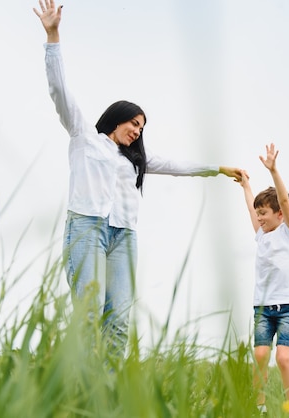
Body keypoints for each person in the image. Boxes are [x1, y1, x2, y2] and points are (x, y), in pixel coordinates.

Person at [33, 0, 245, 355]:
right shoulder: (84, 137)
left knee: (118, 319)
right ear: (118, 118)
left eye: (141, 127)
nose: (137, 131)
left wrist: (218, 168)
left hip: (124, 237)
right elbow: (59, 91)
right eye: (134, 123)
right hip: (87, 227)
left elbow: (176, 165)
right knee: (89, 312)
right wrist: (53, 37)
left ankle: (111, 391)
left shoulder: (136, 160)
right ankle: (80, 388)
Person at [238, 143, 289, 414]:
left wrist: (274, 170)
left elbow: (284, 200)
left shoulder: (288, 231)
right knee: (261, 356)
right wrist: (246, 186)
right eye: (258, 214)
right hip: (262, 308)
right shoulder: (261, 235)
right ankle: (260, 405)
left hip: (287, 306)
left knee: (284, 358)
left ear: (278, 214)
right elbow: (252, 211)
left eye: (264, 213)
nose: (259, 218)